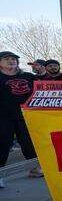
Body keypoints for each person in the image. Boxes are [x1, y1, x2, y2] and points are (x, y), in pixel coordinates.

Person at [0, 51, 42, 187]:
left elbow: (46, 86)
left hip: (26, 115)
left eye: (13, 59)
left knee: (29, 143)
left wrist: (41, 72)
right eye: (6, 59)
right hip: (3, 117)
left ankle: (34, 168)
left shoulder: (28, 76)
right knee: (3, 144)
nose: (11, 61)